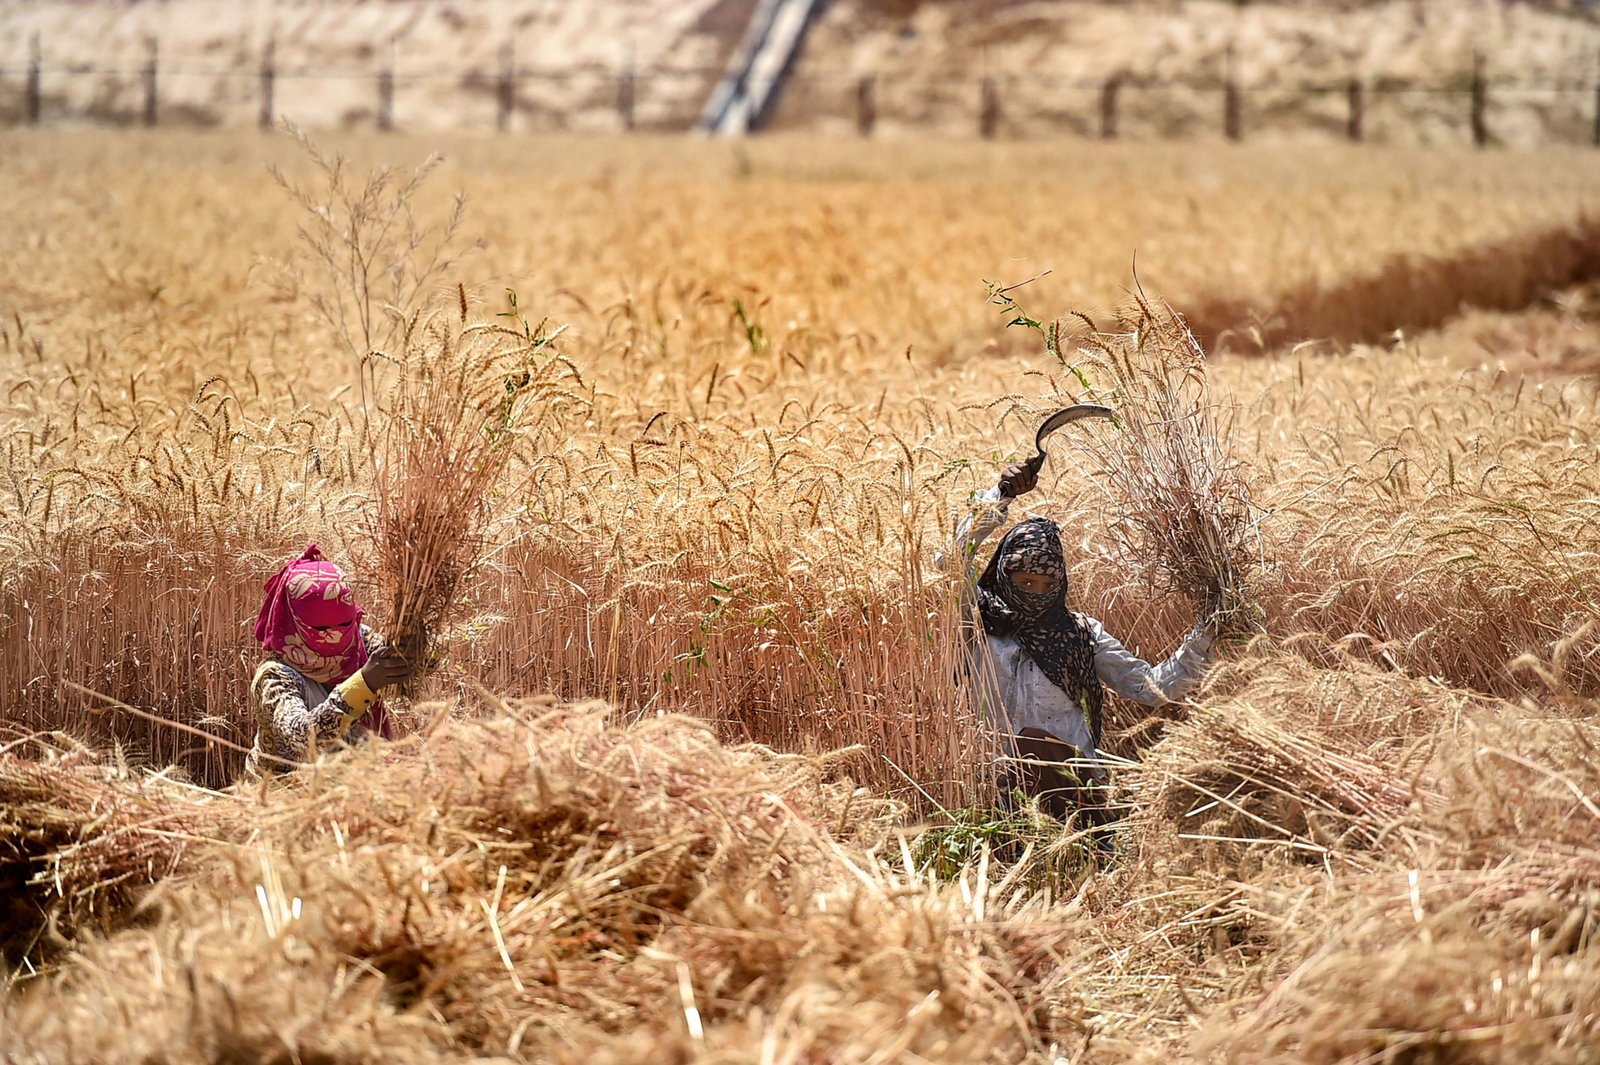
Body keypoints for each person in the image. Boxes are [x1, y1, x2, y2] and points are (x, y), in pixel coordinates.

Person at [946, 460, 1216, 824]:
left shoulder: (1080, 633)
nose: (1037, 593)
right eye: (1026, 583)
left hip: (1073, 796)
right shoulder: (980, 623)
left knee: (1037, 747)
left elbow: (1151, 687)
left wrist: (1209, 629)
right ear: (1005, 577)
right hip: (996, 794)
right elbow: (953, 559)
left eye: (1048, 585)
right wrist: (1000, 497)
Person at [246, 543, 418, 774]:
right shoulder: (274, 677)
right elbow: (302, 739)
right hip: (285, 790)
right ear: (295, 621)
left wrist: (414, 649)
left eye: (344, 623)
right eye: (321, 627)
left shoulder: (359, 640)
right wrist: (363, 684)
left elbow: (408, 673)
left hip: (354, 784)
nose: (336, 635)